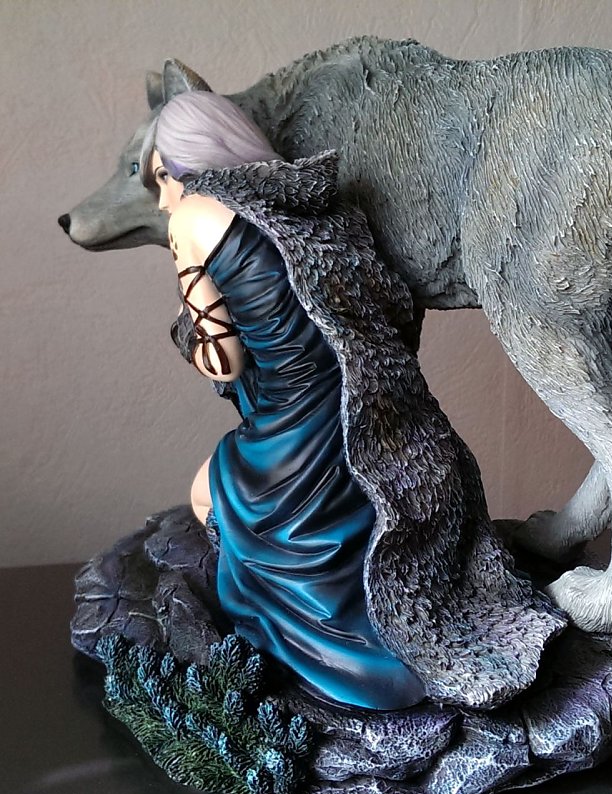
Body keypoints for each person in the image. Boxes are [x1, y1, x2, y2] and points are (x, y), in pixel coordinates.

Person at [141, 91, 565, 713]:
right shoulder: (307, 204)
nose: (161, 200)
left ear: (187, 162)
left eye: (161, 178)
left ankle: (279, 617)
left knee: (206, 493)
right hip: (367, 416)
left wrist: (189, 327)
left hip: (291, 429)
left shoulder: (192, 216)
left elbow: (224, 361)